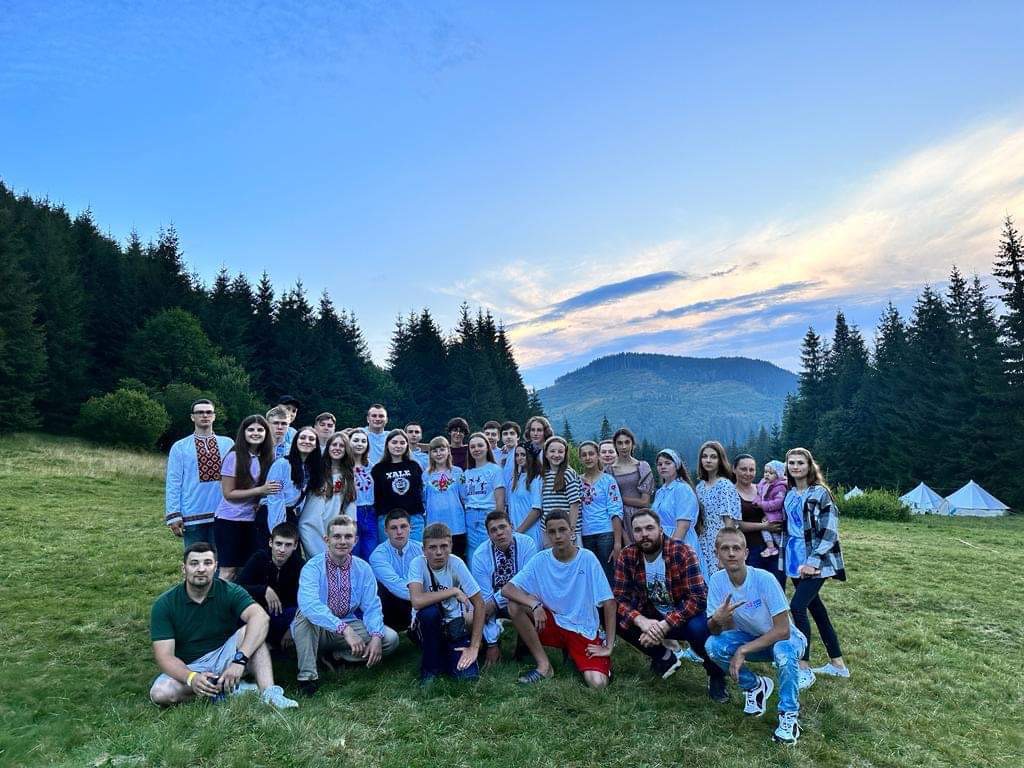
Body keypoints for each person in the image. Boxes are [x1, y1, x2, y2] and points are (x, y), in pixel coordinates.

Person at [149, 541, 298, 709]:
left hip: (225, 654)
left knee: (254, 631)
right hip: (189, 665)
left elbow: (260, 617)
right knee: (160, 693)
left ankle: (270, 694)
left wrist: (239, 661)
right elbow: (164, 656)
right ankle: (230, 690)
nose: (201, 569)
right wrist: (191, 677)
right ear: (184, 568)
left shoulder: (229, 590)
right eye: (194, 563)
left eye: (207, 563)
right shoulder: (165, 604)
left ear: (215, 567)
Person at [704, 527, 807, 745]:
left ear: (746, 552)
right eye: (725, 548)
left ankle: (789, 715)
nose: (731, 553)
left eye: (736, 548)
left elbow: (783, 630)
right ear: (717, 554)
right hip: (753, 638)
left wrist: (743, 650)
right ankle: (755, 686)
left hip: (787, 640)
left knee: (783, 652)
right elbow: (714, 631)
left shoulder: (764, 579)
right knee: (713, 645)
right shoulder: (716, 581)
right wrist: (717, 620)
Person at [612, 509, 727, 701]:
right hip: (651, 615)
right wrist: (640, 621)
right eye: (638, 530)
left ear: (660, 529)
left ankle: (715, 674)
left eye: (649, 528)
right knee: (612, 615)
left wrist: (664, 624)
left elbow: (698, 598)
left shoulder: (682, 551)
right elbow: (619, 598)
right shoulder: (627, 555)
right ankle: (663, 656)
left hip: (683, 615)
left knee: (700, 628)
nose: (644, 534)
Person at [501, 511, 616, 688]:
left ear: (572, 532)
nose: (558, 536)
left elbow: (609, 602)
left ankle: (591, 656)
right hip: (552, 622)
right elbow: (507, 589)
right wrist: (534, 604)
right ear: (546, 534)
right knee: (514, 605)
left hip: (581, 629)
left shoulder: (587, 558)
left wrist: (609, 645)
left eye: (562, 530)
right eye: (552, 531)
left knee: (597, 684)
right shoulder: (541, 559)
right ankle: (544, 666)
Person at [292, 515, 401, 697]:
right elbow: (309, 605)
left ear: (355, 540)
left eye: (348, 537)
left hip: (347, 624)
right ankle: (307, 677)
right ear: (326, 540)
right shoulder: (312, 567)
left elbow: (372, 605)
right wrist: (345, 630)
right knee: (304, 615)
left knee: (389, 639)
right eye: (337, 536)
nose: (343, 541)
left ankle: (338, 657)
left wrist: (375, 635)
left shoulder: (363, 568)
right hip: (318, 629)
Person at [783, 447, 849, 688]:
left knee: (797, 607)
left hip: (816, 563)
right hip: (794, 559)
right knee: (817, 610)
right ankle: (838, 665)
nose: (796, 466)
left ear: (809, 466)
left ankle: (804, 667)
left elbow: (830, 531)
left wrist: (813, 561)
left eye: (800, 462)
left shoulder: (820, 493)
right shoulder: (789, 495)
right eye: (791, 463)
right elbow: (787, 527)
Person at [408, 522, 486, 684]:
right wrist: (454, 591)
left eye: (444, 546)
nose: (438, 553)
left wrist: (474, 648)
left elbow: (479, 604)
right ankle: (430, 670)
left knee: (467, 678)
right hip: (427, 626)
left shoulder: (456, 563)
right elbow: (416, 601)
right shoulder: (417, 563)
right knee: (429, 612)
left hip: (453, 625)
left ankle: (447, 654)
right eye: (432, 547)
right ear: (424, 549)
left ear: (451, 546)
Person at [214, 415, 280, 581]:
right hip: (230, 520)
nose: (255, 433)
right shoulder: (233, 457)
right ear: (243, 433)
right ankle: (218, 604)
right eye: (251, 429)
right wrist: (260, 490)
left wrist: (260, 500)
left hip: (253, 521)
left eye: (260, 430)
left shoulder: (269, 458)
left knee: (249, 570)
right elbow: (229, 494)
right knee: (228, 571)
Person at [164, 399, 235, 550]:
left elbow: (238, 477)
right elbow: (173, 481)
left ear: (214, 416)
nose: (205, 415)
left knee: (222, 561)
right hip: (192, 514)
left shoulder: (228, 444)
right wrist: (173, 514)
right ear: (192, 417)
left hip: (222, 513)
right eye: (200, 412)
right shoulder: (180, 447)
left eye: (209, 412)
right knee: (196, 559)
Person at [470, 510, 538, 667]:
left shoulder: (527, 544)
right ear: (488, 534)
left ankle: (526, 646)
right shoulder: (480, 556)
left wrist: (495, 600)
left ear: (512, 527)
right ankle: (489, 643)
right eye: (493, 530)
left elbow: (526, 585)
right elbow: (486, 602)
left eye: (503, 527)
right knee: (473, 614)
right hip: (493, 604)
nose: (499, 533)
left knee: (529, 602)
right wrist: (492, 644)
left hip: (521, 600)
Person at [236, 522, 305, 651]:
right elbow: (237, 588)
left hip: (285, 615)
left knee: (303, 615)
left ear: (295, 546)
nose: (282, 549)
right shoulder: (259, 558)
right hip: (260, 612)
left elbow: (307, 601)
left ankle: (277, 645)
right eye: (278, 544)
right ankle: (260, 644)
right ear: (270, 543)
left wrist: (293, 628)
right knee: (240, 611)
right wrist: (264, 590)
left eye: (288, 545)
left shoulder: (299, 565)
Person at [651, 449, 706, 579]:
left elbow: (683, 526)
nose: (663, 466)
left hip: (680, 541)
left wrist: (671, 551)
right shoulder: (660, 492)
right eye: (660, 464)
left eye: (667, 463)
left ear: (676, 465)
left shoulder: (682, 489)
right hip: (661, 542)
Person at [299, 431, 353, 558]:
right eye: (334, 445)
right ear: (328, 447)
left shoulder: (348, 475)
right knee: (319, 561)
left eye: (341, 446)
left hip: (333, 524)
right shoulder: (317, 471)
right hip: (312, 524)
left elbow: (349, 502)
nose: (337, 448)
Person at [261, 426, 319, 544]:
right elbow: (275, 498)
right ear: (295, 441)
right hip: (272, 516)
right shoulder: (282, 464)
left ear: (316, 445)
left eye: (311, 439)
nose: (306, 441)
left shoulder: (310, 468)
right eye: (302, 438)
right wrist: (277, 530)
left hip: (290, 516)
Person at [369, 509, 423, 632]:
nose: (399, 532)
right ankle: (394, 627)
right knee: (382, 588)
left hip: (417, 600)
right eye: (393, 528)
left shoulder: (421, 549)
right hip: (392, 604)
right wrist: (427, 598)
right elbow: (396, 586)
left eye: (403, 526)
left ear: (410, 527)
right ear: (385, 531)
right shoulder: (378, 555)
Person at [577, 440, 624, 582]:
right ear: (580, 458)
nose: (588, 457)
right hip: (585, 534)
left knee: (608, 575)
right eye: (584, 455)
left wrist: (617, 543)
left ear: (598, 455)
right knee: (590, 576)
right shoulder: (577, 481)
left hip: (606, 534)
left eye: (591, 454)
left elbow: (615, 511)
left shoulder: (608, 481)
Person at [734, 455, 784, 585]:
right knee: (755, 590)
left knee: (777, 587)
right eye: (743, 469)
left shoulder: (763, 487)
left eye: (752, 470)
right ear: (734, 470)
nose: (748, 473)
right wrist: (765, 527)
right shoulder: (731, 493)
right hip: (750, 549)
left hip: (775, 547)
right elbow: (736, 525)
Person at [695, 440, 741, 578]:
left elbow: (730, 522)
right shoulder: (699, 487)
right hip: (703, 541)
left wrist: (726, 550)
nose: (708, 460)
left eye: (713, 457)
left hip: (720, 540)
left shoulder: (725, 485)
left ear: (720, 460)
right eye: (705, 456)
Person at [371, 429, 426, 545]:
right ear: (387, 445)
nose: (398, 446)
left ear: (407, 445)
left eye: (402, 443)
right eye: (394, 442)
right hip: (387, 519)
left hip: (414, 518)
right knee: (390, 554)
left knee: (415, 553)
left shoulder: (414, 466)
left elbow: (421, 491)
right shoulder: (378, 469)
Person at [422, 436, 468, 558]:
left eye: (442, 450)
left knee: (458, 559)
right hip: (434, 523)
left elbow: (464, 498)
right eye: (435, 451)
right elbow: (423, 500)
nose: (439, 454)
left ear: (448, 451)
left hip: (456, 524)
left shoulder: (458, 472)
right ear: (430, 454)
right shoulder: (426, 475)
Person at [608, 428, 654, 545]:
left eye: (627, 442)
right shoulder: (609, 471)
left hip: (641, 517)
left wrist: (618, 499)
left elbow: (645, 501)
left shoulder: (643, 467)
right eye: (620, 443)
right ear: (615, 445)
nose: (623, 446)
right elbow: (608, 504)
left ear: (633, 444)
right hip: (619, 519)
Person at [464, 432, 506, 558]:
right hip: (470, 516)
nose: (476, 449)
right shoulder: (467, 472)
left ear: (487, 447)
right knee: (473, 556)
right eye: (473, 447)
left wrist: (497, 521)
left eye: (480, 446)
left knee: (489, 553)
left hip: (487, 514)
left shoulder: (495, 470)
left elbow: (500, 499)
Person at [540, 435, 582, 540]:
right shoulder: (543, 475)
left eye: (560, 452)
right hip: (548, 529)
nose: (556, 455)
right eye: (552, 451)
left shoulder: (568, 473)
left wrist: (571, 529)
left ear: (565, 454)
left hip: (566, 530)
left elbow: (575, 504)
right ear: (546, 454)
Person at [507, 445, 544, 548]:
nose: (519, 458)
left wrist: (519, 531)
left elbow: (536, 510)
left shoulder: (536, 479)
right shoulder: (514, 480)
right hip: (515, 532)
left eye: (523, 454)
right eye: (517, 455)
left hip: (530, 531)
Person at [347, 428, 376, 560]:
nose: (360, 444)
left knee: (371, 552)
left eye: (363, 441)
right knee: (353, 551)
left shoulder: (371, 466)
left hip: (370, 511)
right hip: (351, 511)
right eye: (356, 440)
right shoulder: (343, 465)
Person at [756, 460, 788, 558]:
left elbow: (778, 503)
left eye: (771, 473)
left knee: (773, 532)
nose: (767, 475)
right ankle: (772, 548)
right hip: (769, 514)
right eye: (765, 472)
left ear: (778, 475)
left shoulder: (780, 487)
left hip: (777, 515)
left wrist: (762, 505)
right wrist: (756, 501)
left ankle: (782, 549)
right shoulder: (763, 484)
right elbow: (759, 494)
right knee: (766, 530)